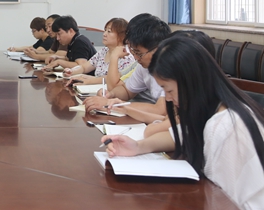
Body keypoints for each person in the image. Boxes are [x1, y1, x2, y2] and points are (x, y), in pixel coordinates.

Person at [102, 37, 264, 208]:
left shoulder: (226, 126)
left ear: (192, 81)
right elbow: (177, 135)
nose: (168, 98)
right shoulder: (209, 110)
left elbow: (224, 200)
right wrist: (137, 147)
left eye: (169, 90)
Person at [84, 14, 170, 116]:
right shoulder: (144, 66)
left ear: (158, 48)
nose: (136, 58)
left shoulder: (172, 67)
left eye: (139, 53)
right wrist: (110, 94)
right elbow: (126, 91)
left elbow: (161, 110)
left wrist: (110, 104)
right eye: (133, 51)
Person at [61, 18, 134, 85]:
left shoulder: (126, 56)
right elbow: (84, 67)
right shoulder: (104, 51)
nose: (104, 34)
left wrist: (90, 80)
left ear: (122, 36)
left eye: (109, 31)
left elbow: (115, 79)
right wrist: (71, 71)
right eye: (105, 30)